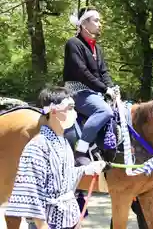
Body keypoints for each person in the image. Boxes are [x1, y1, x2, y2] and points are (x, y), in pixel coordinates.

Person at [5, 86, 106, 229]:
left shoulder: (63, 142)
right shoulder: (36, 146)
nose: (74, 113)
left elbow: (64, 177)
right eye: (69, 108)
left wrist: (86, 170)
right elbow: (30, 190)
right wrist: (42, 225)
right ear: (53, 111)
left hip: (69, 218)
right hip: (47, 221)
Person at [63, 6, 117, 159]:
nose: (100, 24)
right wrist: (105, 88)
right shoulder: (73, 43)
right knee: (104, 111)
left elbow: (104, 72)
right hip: (77, 91)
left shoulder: (96, 48)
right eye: (96, 20)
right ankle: (81, 149)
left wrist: (112, 88)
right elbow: (82, 72)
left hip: (96, 91)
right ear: (84, 24)